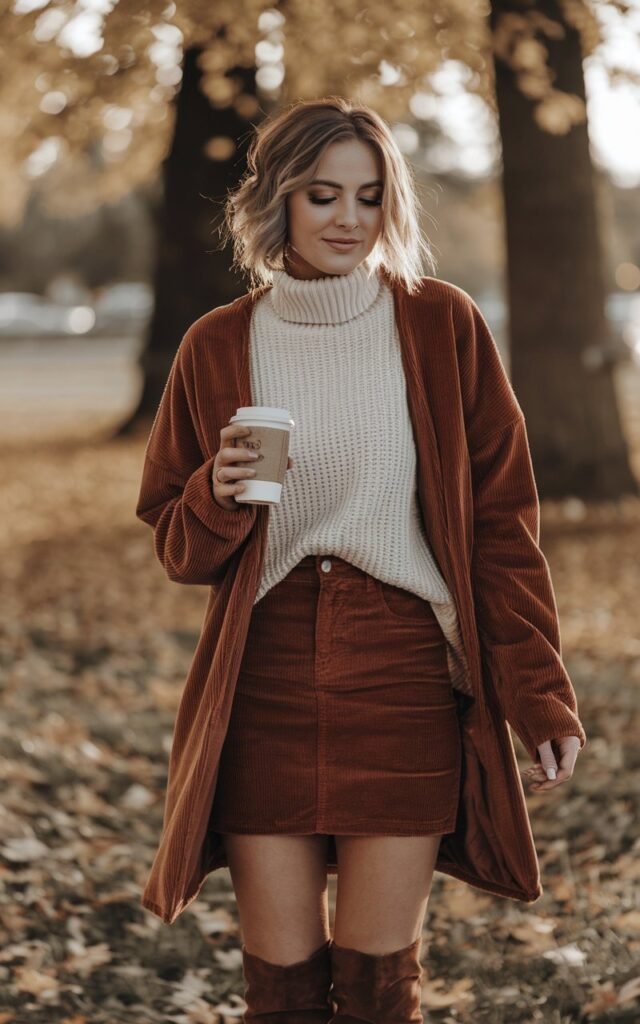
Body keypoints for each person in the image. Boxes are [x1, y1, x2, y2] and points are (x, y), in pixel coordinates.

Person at [135, 96, 586, 1023]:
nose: (348, 219)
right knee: (284, 996)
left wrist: (537, 689)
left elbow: (502, 527)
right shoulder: (217, 344)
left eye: (370, 197)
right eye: (323, 195)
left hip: (403, 672)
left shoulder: (440, 326)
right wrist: (212, 497)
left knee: (382, 994)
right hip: (265, 674)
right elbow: (176, 548)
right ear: (279, 203)